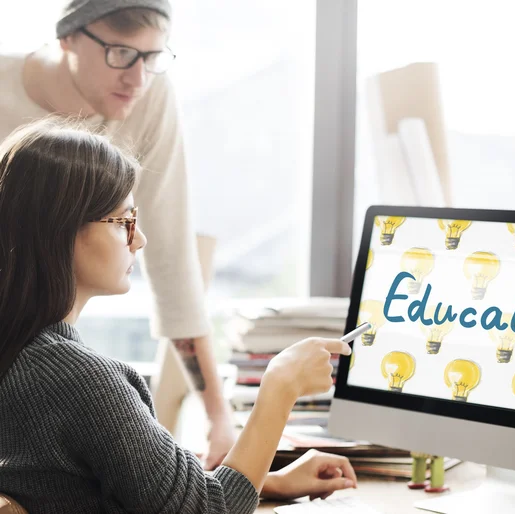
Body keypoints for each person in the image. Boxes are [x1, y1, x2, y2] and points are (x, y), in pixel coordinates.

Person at [0, 118, 357, 513]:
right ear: (61, 231)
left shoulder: (23, 357)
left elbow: (92, 488)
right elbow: (208, 510)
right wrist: (280, 388)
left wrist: (266, 482)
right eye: (124, 222)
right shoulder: (78, 380)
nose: (140, 239)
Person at [0, 0, 236, 468]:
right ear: (67, 37)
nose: (138, 78)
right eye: (121, 54)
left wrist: (218, 417)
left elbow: (170, 258)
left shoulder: (150, 95)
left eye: (153, 58)